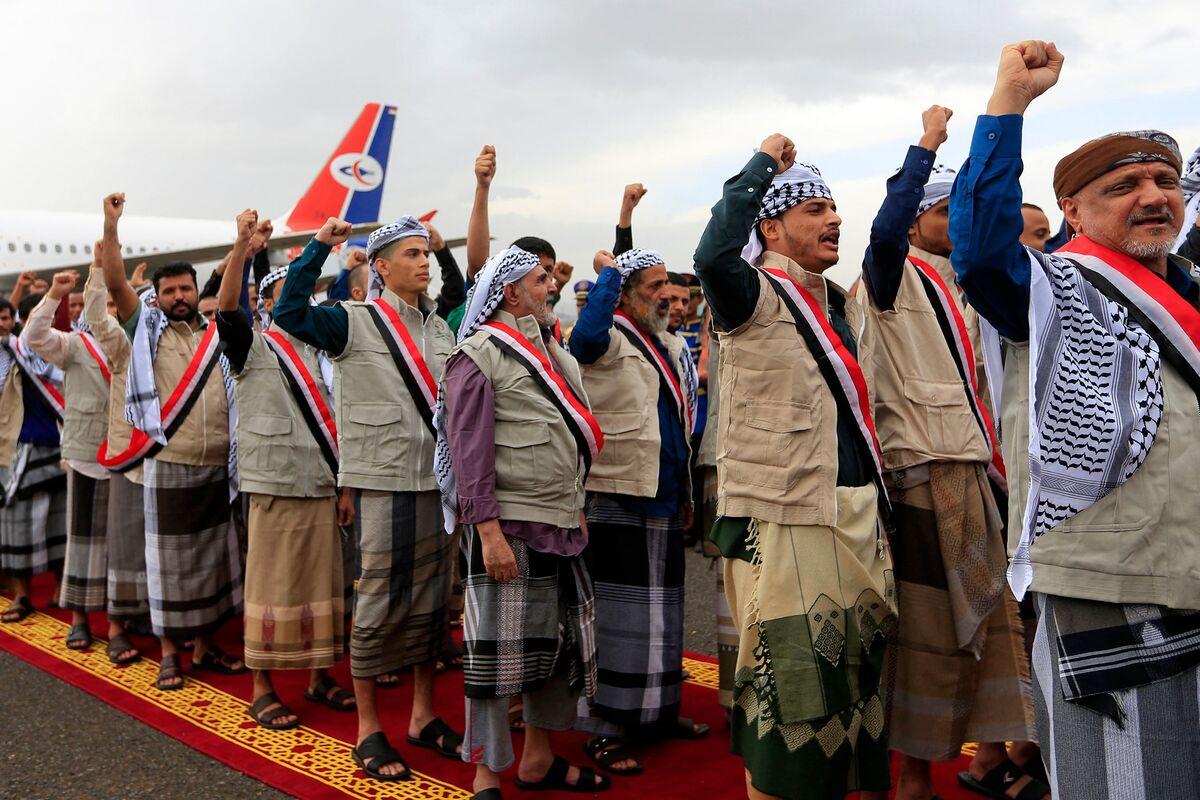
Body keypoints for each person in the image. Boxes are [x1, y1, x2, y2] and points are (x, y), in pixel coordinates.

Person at [951, 39, 1200, 800]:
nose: (1153, 195)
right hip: (1110, 575)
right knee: (1125, 783)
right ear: (1073, 210)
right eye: (1125, 185)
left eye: (1164, 180)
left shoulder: (1190, 285)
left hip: (1193, 565)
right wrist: (1009, 105)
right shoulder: (1049, 287)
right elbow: (981, 243)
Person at [694, 135, 896, 800]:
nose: (834, 218)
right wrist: (761, 166)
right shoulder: (749, 292)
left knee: (850, 684)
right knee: (797, 694)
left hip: (851, 512)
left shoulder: (835, 301)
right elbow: (711, 253)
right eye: (814, 208)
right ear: (772, 227)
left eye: (835, 207)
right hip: (788, 516)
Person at [859, 106, 1042, 800]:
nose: (949, 215)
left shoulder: (970, 284)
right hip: (922, 474)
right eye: (939, 207)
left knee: (992, 628)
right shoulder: (888, 277)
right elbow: (882, 228)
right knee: (929, 637)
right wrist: (926, 145)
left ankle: (990, 754)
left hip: (980, 471)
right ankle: (911, 779)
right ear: (913, 222)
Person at [273, 214, 461, 781]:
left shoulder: (440, 328)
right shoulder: (352, 321)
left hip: (435, 484)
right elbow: (288, 314)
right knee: (378, 605)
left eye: (426, 254)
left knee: (432, 604)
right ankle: (369, 729)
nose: (424, 262)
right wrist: (318, 248)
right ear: (379, 267)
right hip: (382, 481)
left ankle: (423, 716)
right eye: (411, 254)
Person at [440, 246, 609, 798]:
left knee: (560, 649)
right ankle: (485, 772)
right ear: (509, 293)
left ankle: (537, 761)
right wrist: (486, 533)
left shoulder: (553, 350)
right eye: (539, 280)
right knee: (494, 659)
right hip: (508, 529)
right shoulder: (479, 353)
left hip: (562, 524)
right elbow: (468, 451)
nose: (550, 287)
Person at [100, 192, 246, 692]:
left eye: (186, 288)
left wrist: (242, 246)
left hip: (214, 467)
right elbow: (117, 283)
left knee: (212, 565)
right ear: (157, 297)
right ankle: (169, 655)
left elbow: (230, 296)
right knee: (166, 568)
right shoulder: (146, 332)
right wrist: (111, 226)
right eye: (170, 291)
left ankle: (205, 648)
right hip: (170, 463)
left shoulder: (213, 335)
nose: (180, 296)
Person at [214, 210, 353, 730]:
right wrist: (239, 249)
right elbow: (228, 308)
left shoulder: (323, 351)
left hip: (320, 482)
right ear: (268, 304)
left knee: (323, 585)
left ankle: (318, 676)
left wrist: (342, 485)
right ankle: (262, 687)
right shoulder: (252, 345)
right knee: (271, 586)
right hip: (273, 483)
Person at [569, 246, 706, 776]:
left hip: (665, 493)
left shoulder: (667, 343)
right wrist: (608, 276)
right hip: (618, 492)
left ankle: (656, 712)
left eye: (664, 287)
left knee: (663, 617)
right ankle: (602, 728)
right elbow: (581, 339)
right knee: (616, 618)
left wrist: (689, 495)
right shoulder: (607, 338)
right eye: (650, 287)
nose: (663, 297)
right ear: (625, 294)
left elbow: (677, 424)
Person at [20, 265, 133, 661]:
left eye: (97, 302)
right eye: (82, 304)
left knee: (122, 546)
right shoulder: (72, 346)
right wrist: (54, 294)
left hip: (125, 454)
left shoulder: (132, 343)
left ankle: (119, 624)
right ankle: (79, 619)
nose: (92, 309)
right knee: (81, 538)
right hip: (86, 454)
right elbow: (31, 337)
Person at [0, 287, 67, 624]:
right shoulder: (8, 353)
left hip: (58, 443)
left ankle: (59, 590)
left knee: (59, 521)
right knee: (16, 523)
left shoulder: (61, 350)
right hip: (21, 447)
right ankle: (21, 595)